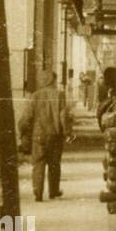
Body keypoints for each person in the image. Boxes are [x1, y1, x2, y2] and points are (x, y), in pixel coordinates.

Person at [18, 69, 74, 202]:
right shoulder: (59, 95)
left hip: (38, 136)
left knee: (38, 164)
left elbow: (27, 117)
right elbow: (63, 116)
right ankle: (53, 191)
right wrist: (67, 132)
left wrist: (22, 131)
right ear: (53, 80)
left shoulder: (35, 96)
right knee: (54, 164)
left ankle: (38, 192)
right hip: (54, 135)